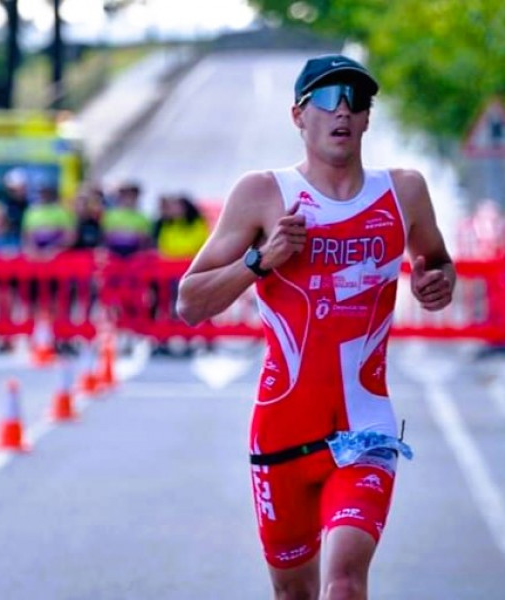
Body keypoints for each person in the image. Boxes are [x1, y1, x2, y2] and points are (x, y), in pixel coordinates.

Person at [176, 54, 456, 599]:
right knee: (294, 593)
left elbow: (437, 262)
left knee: (346, 583)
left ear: (368, 119)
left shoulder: (404, 192)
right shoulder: (262, 194)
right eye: (327, 100)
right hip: (282, 430)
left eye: (356, 100)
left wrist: (437, 283)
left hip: (365, 430)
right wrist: (261, 260)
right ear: (298, 116)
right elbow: (189, 302)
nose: (342, 111)